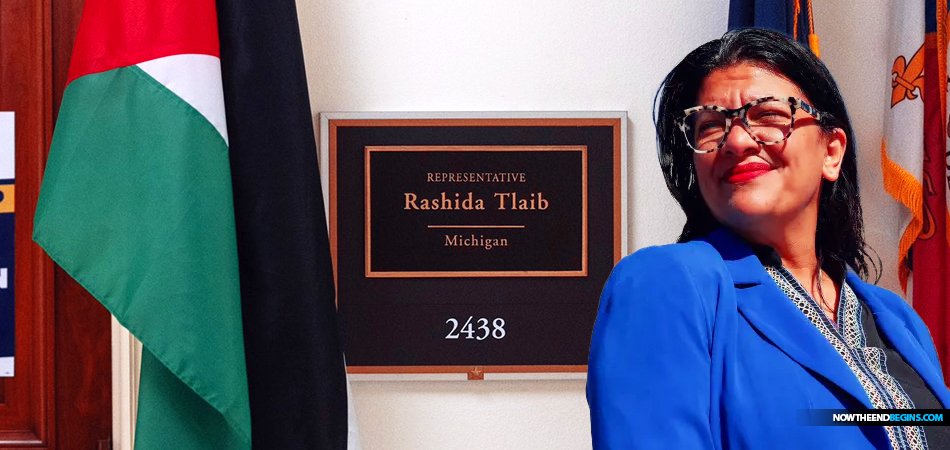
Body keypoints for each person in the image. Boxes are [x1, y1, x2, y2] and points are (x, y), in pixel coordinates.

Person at [587, 28, 950, 450]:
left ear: (831, 152)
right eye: (710, 126)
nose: (737, 141)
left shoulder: (897, 318)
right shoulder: (665, 283)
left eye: (769, 116)